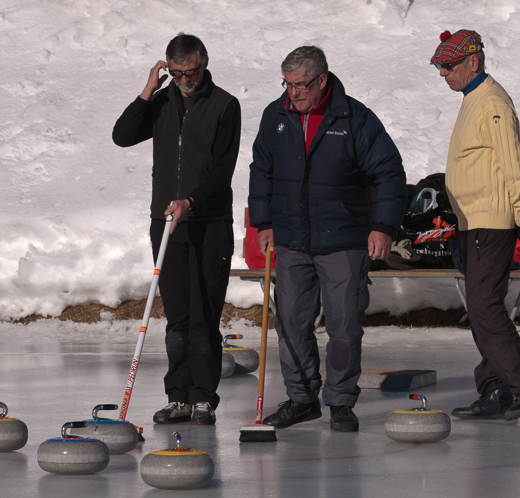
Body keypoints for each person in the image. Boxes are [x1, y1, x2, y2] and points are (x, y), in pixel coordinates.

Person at [249, 45, 406, 432]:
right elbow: (261, 170)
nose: (293, 92)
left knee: (344, 324)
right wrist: (264, 222)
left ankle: (339, 401)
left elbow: (388, 172)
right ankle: (302, 399)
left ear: (322, 80)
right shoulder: (276, 115)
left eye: (301, 85)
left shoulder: (354, 117)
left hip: (343, 240)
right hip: (290, 240)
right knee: (290, 322)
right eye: (287, 84)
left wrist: (383, 226)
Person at [112, 33, 241, 425]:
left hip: (209, 223)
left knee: (204, 314)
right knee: (178, 316)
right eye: (179, 72)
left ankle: (203, 397)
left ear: (204, 65)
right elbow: (122, 136)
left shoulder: (224, 105)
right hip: (166, 223)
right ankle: (178, 396)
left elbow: (222, 170)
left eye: (193, 71)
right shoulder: (162, 101)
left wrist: (193, 202)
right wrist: (149, 90)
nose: (186, 79)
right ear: (169, 69)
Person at [430, 29, 520, 421]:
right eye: (440, 67)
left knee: (483, 305)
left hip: (491, 222)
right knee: (483, 306)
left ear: (473, 62)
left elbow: (513, 166)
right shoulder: (473, 99)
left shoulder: (493, 102)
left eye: (447, 66)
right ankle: (496, 386)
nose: (443, 74)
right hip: (472, 223)